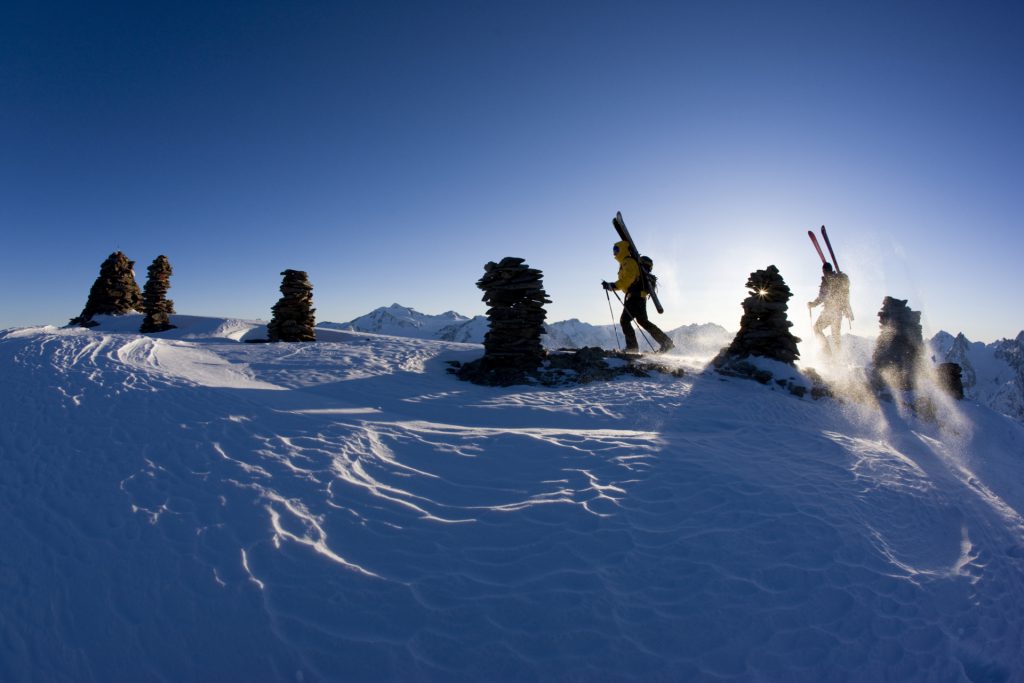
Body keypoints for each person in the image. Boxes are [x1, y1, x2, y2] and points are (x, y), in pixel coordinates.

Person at [602, 240, 674, 353]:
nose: (614, 253)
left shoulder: (628, 262)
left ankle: (632, 348)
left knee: (625, 321)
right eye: (614, 250)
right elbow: (626, 281)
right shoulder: (626, 263)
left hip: (634, 297)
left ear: (623, 249)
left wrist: (613, 285)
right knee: (643, 321)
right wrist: (612, 286)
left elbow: (628, 279)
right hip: (639, 297)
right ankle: (666, 342)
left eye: (616, 249)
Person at [807, 262, 853, 354]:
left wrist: (812, 304)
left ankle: (828, 353)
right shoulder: (839, 278)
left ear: (824, 271)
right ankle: (837, 358)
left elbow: (821, 297)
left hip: (829, 311)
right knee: (835, 335)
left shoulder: (826, 281)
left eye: (824, 271)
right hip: (837, 312)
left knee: (817, 328)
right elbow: (845, 290)